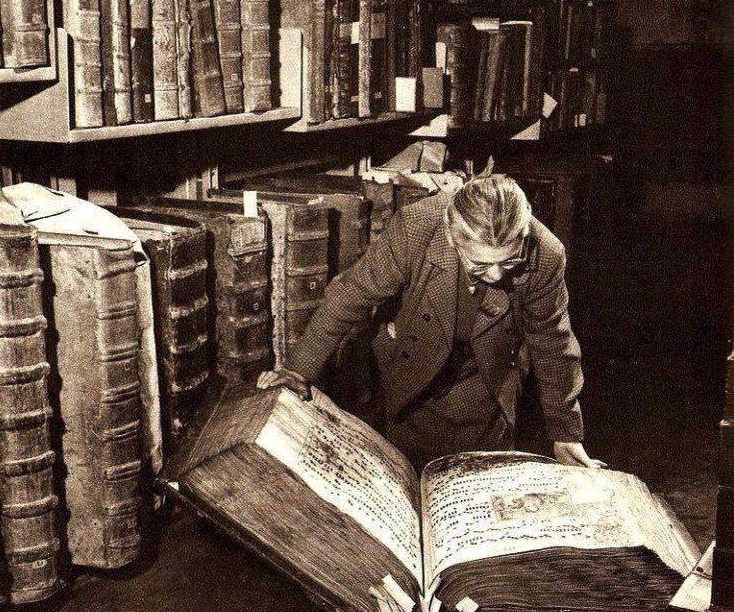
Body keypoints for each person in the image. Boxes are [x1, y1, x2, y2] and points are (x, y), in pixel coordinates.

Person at [257, 174, 605, 472]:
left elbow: (553, 342)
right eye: (481, 265)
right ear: (452, 238)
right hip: (408, 369)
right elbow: (349, 296)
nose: (497, 276)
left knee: (477, 471)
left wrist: (565, 434)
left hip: (483, 377)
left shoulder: (547, 254)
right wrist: (297, 371)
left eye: (510, 261)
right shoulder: (416, 228)